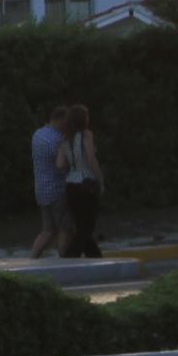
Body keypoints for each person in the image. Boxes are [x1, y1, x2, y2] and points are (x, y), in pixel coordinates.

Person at [58, 103, 105, 259]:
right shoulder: (86, 135)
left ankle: (94, 255)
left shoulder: (66, 139)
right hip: (87, 183)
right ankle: (71, 255)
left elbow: (60, 164)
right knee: (88, 225)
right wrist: (100, 178)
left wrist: (72, 165)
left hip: (71, 184)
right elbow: (91, 158)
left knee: (81, 224)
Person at [29, 103, 70, 257]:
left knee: (48, 230)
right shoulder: (58, 140)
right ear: (60, 120)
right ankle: (64, 258)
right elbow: (63, 165)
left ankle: (33, 257)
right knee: (64, 228)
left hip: (41, 190)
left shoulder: (38, 134)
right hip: (57, 190)